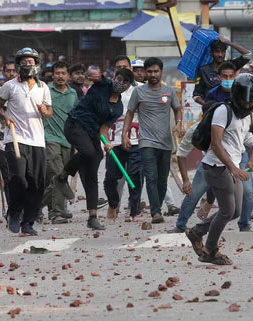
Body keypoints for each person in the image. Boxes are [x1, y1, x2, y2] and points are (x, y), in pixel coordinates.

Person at [185, 73, 253, 265]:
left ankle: (197, 231)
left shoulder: (246, 117)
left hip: (232, 168)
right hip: (216, 167)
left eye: (250, 103)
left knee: (235, 211)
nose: (247, 106)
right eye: (244, 102)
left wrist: (252, 159)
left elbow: (249, 140)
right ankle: (210, 250)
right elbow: (216, 144)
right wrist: (233, 169)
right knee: (227, 211)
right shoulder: (223, 111)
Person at [57, 67, 133, 231]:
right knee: (89, 152)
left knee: (94, 162)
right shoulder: (103, 84)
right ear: (114, 77)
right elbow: (95, 75)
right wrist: (93, 75)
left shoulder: (118, 107)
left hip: (92, 133)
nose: (120, 83)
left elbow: (103, 129)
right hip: (75, 124)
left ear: (128, 86)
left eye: (125, 82)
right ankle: (62, 177)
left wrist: (107, 143)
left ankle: (92, 217)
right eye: (118, 78)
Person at [0, 48, 53, 236]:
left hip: (37, 141)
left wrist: (45, 111)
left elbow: (49, 112)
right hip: (16, 138)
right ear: (19, 64)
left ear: (36, 65)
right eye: (24, 62)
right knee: (18, 178)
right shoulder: (10, 86)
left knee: (36, 183)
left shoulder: (43, 87)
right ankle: (14, 213)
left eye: (31, 62)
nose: (27, 65)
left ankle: (28, 222)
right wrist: (5, 116)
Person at [124, 58, 181, 224]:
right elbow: (129, 113)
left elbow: (178, 109)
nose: (153, 74)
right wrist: (124, 135)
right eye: (150, 72)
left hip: (165, 142)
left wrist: (179, 124)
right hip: (146, 142)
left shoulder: (169, 91)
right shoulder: (138, 92)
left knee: (162, 179)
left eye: (156, 71)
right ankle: (155, 212)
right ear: (145, 73)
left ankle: (158, 206)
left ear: (161, 72)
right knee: (151, 176)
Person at [106, 56, 143, 220]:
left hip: (135, 140)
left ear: (131, 69)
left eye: (125, 67)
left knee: (135, 176)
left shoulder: (141, 89)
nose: (122, 70)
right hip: (113, 141)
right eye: (118, 67)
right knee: (110, 178)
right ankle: (113, 203)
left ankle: (134, 210)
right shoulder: (106, 91)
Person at [42, 61, 77, 224]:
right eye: (57, 73)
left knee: (59, 177)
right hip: (49, 138)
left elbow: (76, 116)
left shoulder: (73, 93)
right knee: (58, 174)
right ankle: (57, 212)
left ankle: (33, 206)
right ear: (52, 75)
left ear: (68, 76)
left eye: (63, 73)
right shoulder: (45, 91)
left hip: (67, 140)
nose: (60, 76)